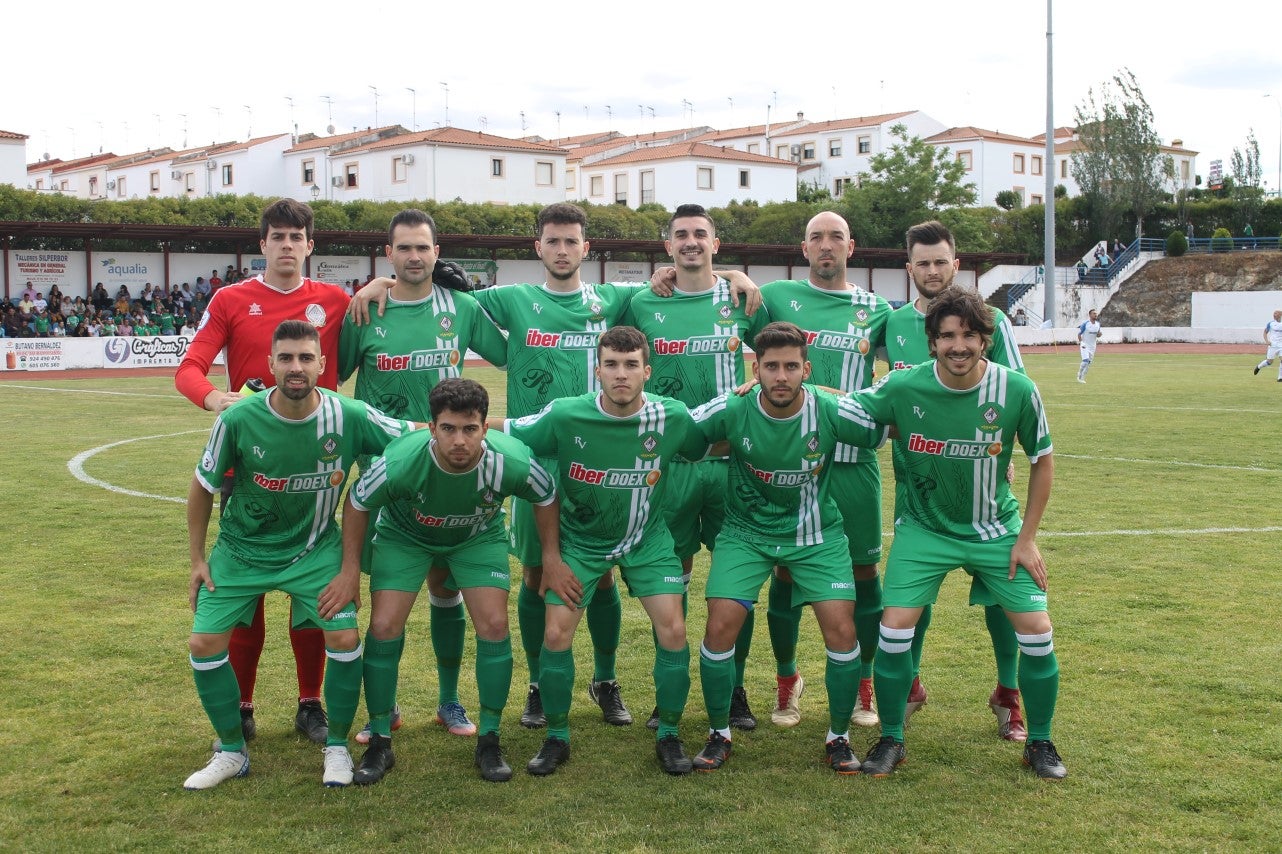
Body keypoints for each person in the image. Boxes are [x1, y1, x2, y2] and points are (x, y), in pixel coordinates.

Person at [182, 320, 417, 790]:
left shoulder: (348, 415)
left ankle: (336, 747)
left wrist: (477, 436)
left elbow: (415, 436)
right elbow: (203, 486)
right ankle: (231, 750)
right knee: (203, 645)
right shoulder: (236, 418)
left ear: (323, 365)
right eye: (286, 358)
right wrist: (197, 559)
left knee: (345, 637)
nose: (296, 367)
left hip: (315, 551)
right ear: (270, 365)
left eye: (306, 358)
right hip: (240, 552)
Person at [852, 285, 1066, 780]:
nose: (958, 346)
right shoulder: (903, 386)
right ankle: (891, 738)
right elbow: (845, 406)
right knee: (894, 628)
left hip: (995, 531)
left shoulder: (1016, 389)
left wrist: (1027, 537)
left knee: (1037, 631)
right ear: (931, 342)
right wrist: (767, 389)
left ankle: (1040, 741)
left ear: (986, 339)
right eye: (947, 336)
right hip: (924, 530)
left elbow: (1043, 460)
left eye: (970, 335)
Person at [176, 198, 353, 747]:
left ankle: (310, 703)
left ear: (310, 244)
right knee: (246, 585)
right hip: (247, 463)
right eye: (276, 236)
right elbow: (189, 368)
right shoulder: (231, 299)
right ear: (262, 245)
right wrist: (215, 401)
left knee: (311, 585)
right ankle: (245, 705)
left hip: (314, 457)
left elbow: (376, 333)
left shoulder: (335, 300)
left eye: (296, 236)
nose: (286, 244)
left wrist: (377, 289)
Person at [492, 326, 708, 776]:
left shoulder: (672, 417)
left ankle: (668, 733)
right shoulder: (566, 415)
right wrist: (434, 428)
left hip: (647, 540)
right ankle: (557, 736)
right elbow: (504, 430)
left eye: (631, 365)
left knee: (673, 630)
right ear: (597, 371)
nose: (621, 374)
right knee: (556, 635)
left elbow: (713, 439)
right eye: (611, 364)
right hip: (581, 542)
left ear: (647, 371)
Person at [339, 208, 508, 744]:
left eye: (424, 248)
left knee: (445, 587)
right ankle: (381, 713)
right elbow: (332, 377)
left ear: (438, 253)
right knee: (388, 608)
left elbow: (513, 354)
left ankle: (449, 701)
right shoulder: (364, 311)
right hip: (389, 480)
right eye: (404, 248)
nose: (415, 256)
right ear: (388, 254)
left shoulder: (461, 308)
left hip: (453, 472)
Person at [687, 321, 886, 774]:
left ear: (806, 370)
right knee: (721, 623)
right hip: (745, 534)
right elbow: (680, 432)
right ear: (754, 369)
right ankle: (719, 732)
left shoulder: (830, 409)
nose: (781, 376)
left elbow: (885, 422)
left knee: (841, 630)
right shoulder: (733, 408)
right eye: (771, 366)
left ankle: (839, 736)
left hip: (816, 536)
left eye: (791, 366)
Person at [342, 378, 556, 784]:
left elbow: (545, 495)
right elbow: (357, 501)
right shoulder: (403, 461)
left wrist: (551, 558)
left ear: (485, 429)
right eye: (449, 429)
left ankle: (489, 739)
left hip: (476, 537)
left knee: (494, 624)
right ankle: (380, 740)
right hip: (405, 537)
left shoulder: (511, 459)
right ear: (431, 427)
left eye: (470, 429)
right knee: (385, 625)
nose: (459, 440)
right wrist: (350, 569)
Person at [621, 203, 770, 731]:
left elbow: (780, 354)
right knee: (673, 580)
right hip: (671, 466)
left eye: (700, 234)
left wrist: (736, 277)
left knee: (738, 585)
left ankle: (734, 690)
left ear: (715, 243)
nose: (690, 242)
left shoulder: (744, 299)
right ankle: (673, 689)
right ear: (667, 247)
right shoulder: (640, 301)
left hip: (734, 465)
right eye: (681, 235)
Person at [743, 212, 892, 731]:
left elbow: (908, 371)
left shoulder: (878, 311)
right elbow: (726, 314)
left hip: (852, 464)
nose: (826, 246)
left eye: (835, 237)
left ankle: (866, 679)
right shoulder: (779, 296)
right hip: (790, 465)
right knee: (785, 570)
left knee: (864, 573)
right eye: (816, 238)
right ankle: (788, 678)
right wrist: (735, 278)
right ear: (803, 248)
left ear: (852, 245)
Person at [884, 220, 1029, 742]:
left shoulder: (993, 322)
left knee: (1000, 595)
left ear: (956, 263)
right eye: (922, 262)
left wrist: (1004, 454)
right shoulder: (890, 323)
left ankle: (1008, 694)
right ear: (909, 268)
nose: (932, 271)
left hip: (983, 487)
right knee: (912, 596)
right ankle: (910, 684)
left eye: (940, 261)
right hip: (919, 487)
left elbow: (1012, 391)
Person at [1253, 309, 1282, 381]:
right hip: (1273, 346)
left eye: (1276, 313)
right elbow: (1265, 332)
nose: (1274, 315)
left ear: (1280, 315)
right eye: (1274, 313)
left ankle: (1280, 377)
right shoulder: (1271, 324)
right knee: (1269, 362)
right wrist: (1267, 341)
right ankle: (1259, 367)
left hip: (1281, 345)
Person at [1077, 309, 1102, 383]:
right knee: (1085, 361)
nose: (1095, 315)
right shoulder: (1085, 324)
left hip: (1092, 346)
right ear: (1090, 315)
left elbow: (1097, 334)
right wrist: (1081, 342)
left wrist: (1099, 335)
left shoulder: (1098, 324)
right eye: (1094, 313)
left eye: (1096, 314)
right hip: (1085, 345)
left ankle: (1082, 378)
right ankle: (1079, 375)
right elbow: (1079, 334)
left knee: (1089, 363)